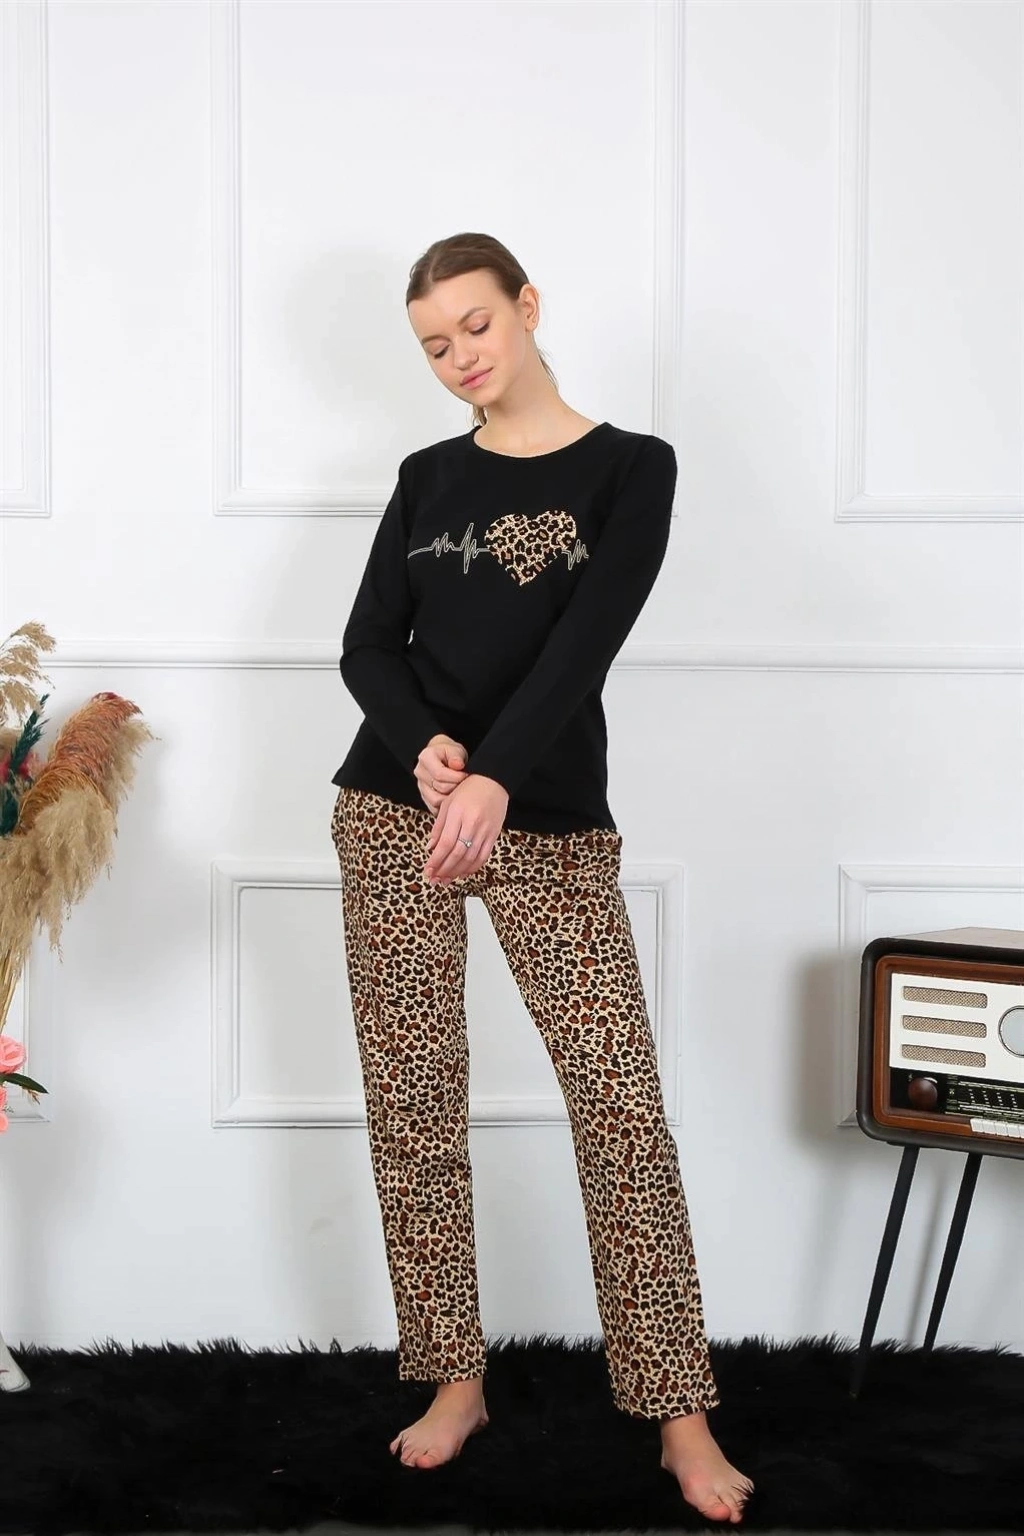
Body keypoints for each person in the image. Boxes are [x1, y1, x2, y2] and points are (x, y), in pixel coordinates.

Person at [329, 232, 753, 1524]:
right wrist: (426, 749)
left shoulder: (632, 468)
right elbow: (365, 646)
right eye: (434, 345)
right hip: (396, 810)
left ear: (527, 305)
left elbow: (587, 640)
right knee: (415, 1106)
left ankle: (681, 1414)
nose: (460, 357)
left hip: (548, 818)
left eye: (476, 325)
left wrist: (500, 776)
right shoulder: (426, 477)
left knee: (620, 1107)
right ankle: (453, 1379)